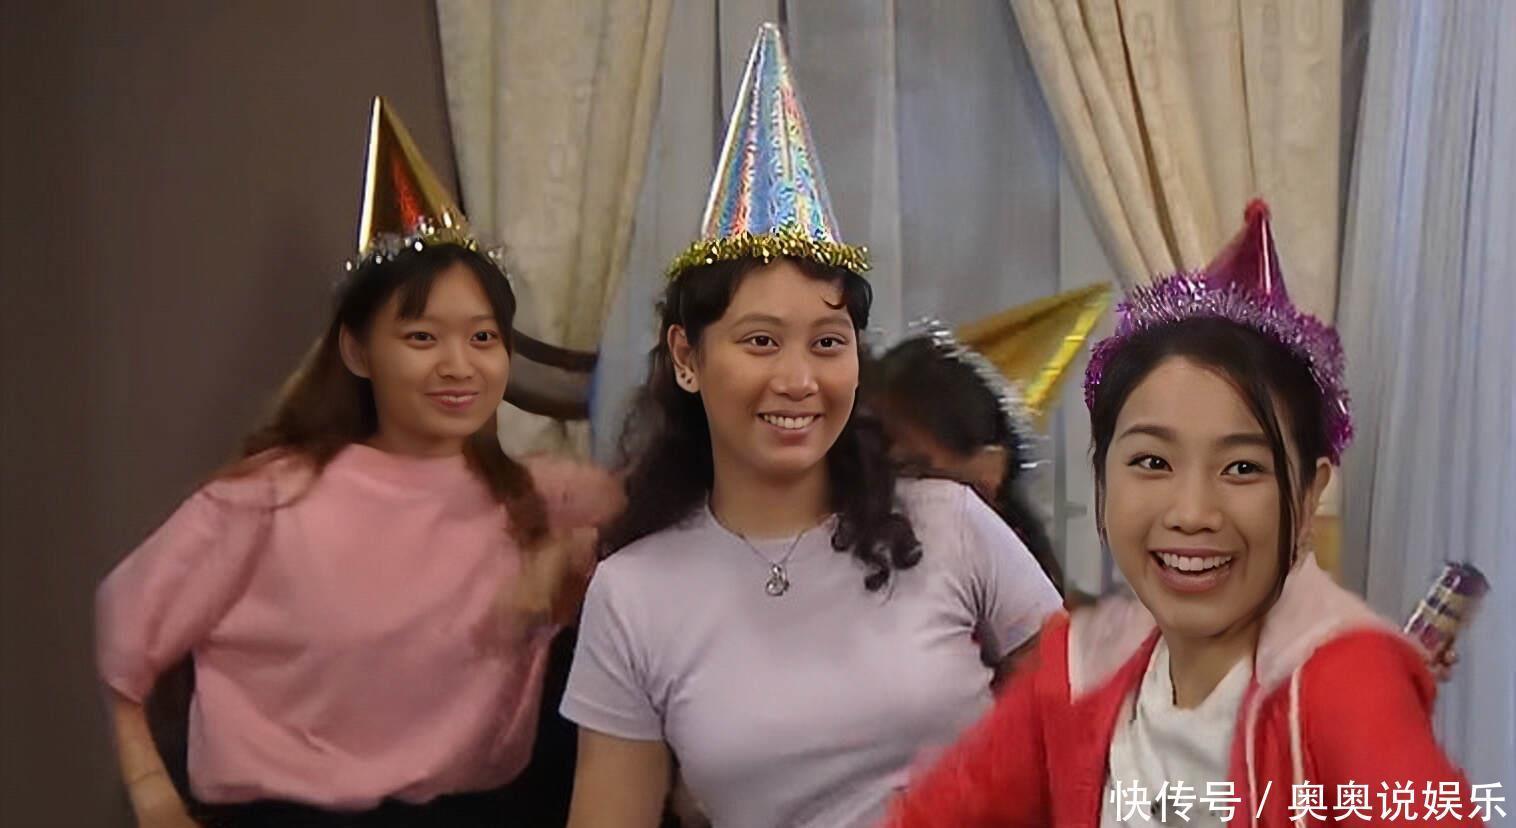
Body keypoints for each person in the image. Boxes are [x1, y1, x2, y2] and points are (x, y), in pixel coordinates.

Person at [558, 25, 1061, 828]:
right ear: (686, 357)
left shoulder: (951, 523)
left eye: (828, 344)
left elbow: (1076, 724)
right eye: (761, 342)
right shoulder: (633, 595)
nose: (799, 380)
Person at [96, 98, 620, 828]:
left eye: (482, 338)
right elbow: (126, 626)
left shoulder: (533, 496)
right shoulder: (269, 497)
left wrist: (563, 556)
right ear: (357, 350)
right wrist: (152, 792)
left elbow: (652, 516)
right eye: (421, 337)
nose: (458, 365)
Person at [885, 201, 1482, 827]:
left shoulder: (1342, 679)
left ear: (1309, 494)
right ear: (1103, 477)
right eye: (1152, 462)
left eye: (1242, 468)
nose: (1192, 513)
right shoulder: (1081, 666)